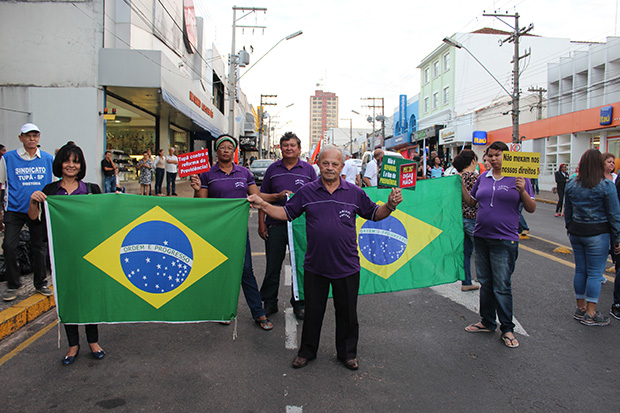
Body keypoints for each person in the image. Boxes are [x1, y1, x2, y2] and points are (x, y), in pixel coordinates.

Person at [248, 145, 403, 370]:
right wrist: (263, 204)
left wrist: (389, 205)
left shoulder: (354, 192)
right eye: (325, 163)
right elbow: (286, 213)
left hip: (347, 265)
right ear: (319, 164)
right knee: (313, 312)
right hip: (315, 266)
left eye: (335, 164)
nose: (330, 167)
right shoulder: (307, 191)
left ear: (342, 167)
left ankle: (347, 354)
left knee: (348, 314)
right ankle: (307, 352)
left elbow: (374, 214)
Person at [28, 143, 105, 365]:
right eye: (67, 160)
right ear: (59, 163)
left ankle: (93, 341)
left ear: (81, 165)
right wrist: (33, 201)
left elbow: (103, 218)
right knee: (68, 297)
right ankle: (73, 345)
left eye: (76, 161)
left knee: (89, 297)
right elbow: (34, 219)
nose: (71, 165)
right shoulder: (50, 191)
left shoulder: (91, 190)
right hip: (61, 255)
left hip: (90, 254)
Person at [190, 135, 273, 331]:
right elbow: (201, 205)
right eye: (222, 147)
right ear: (216, 151)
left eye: (230, 148)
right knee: (220, 271)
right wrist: (195, 189)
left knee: (246, 271)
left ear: (234, 151)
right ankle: (223, 310)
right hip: (216, 232)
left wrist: (275, 198)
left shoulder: (244, 173)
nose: (226, 150)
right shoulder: (207, 175)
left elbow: (257, 197)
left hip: (238, 231)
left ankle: (258, 312)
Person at [461, 141, 536, 348]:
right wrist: (460, 185)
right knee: (485, 282)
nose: (493, 159)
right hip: (481, 236)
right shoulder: (483, 178)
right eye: (490, 156)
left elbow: (531, 208)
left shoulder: (520, 178)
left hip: (505, 239)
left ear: (507, 156)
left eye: (497, 155)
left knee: (502, 285)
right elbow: (472, 202)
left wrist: (522, 191)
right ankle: (487, 321)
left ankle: (507, 329)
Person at [259, 132, 317, 320]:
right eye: (285, 145)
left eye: (292, 145)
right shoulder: (272, 170)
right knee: (272, 266)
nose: (289, 148)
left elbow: (317, 198)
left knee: (300, 266)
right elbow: (262, 197)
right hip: (275, 225)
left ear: (299, 149)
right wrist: (262, 223)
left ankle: (300, 303)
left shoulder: (308, 170)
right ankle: (269, 303)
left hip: (301, 227)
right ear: (280, 148)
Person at [565, 149, 620, 327]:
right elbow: (614, 215)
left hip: (577, 232)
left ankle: (580, 308)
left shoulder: (572, 183)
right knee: (595, 274)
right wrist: (618, 237)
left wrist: (570, 228)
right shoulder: (606, 185)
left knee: (580, 270)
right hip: (598, 234)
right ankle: (591, 313)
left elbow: (568, 212)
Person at [0, 123, 54, 301]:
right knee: (9, 245)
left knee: (38, 247)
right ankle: (13, 284)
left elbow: (55, 185)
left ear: (39, 138)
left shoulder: (47, 159)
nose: (32, 139)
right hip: (14, 210)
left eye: (35, 135)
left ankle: (41, 283)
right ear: (20, 138)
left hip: (38, 210)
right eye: (28, 135)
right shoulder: (7, 158)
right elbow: (1, 185)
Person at [453, 150, 480, 292]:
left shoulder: (455, 177)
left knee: (466, 252)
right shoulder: (474, 177)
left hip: (459, 219)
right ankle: (485, 279)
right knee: (482, 252)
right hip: (472, 218)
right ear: (473, 161)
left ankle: (467, 281)